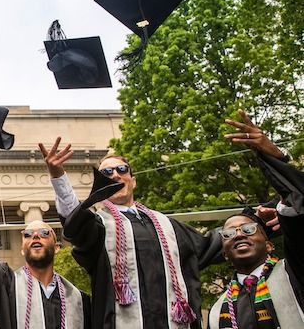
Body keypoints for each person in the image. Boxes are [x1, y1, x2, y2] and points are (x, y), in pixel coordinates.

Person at [44, 136, 231, 329]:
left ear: (133, 181)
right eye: (107, 172)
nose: (115, 175)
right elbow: (76, 226)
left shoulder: (169, 227)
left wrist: (253, 222)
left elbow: (215, 244)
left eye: (122, 169)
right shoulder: (98, 228)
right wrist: (58, 177)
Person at [0, 157, 91, 329]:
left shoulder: (78, 299)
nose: (35, 237)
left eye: (43, 233)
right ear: (22, 249)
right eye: (27, 234)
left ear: (57, 248)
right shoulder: (4, 287)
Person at [206, 111, 304, 328]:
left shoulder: (294, 273)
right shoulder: (216, 312)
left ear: (269, 244)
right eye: (229, 234)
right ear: (224, 253)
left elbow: (298, 203)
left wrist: (276, 158)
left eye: (249, 229)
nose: (239, 233)